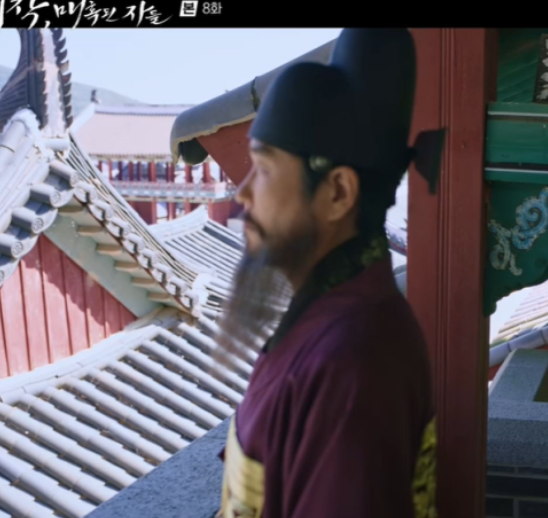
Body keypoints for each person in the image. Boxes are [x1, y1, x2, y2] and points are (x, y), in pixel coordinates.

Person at [213, 28, 444, 518]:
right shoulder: (334, 319)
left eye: (265, 169)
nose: (242, 193)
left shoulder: (351, 364)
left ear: (338, 192)